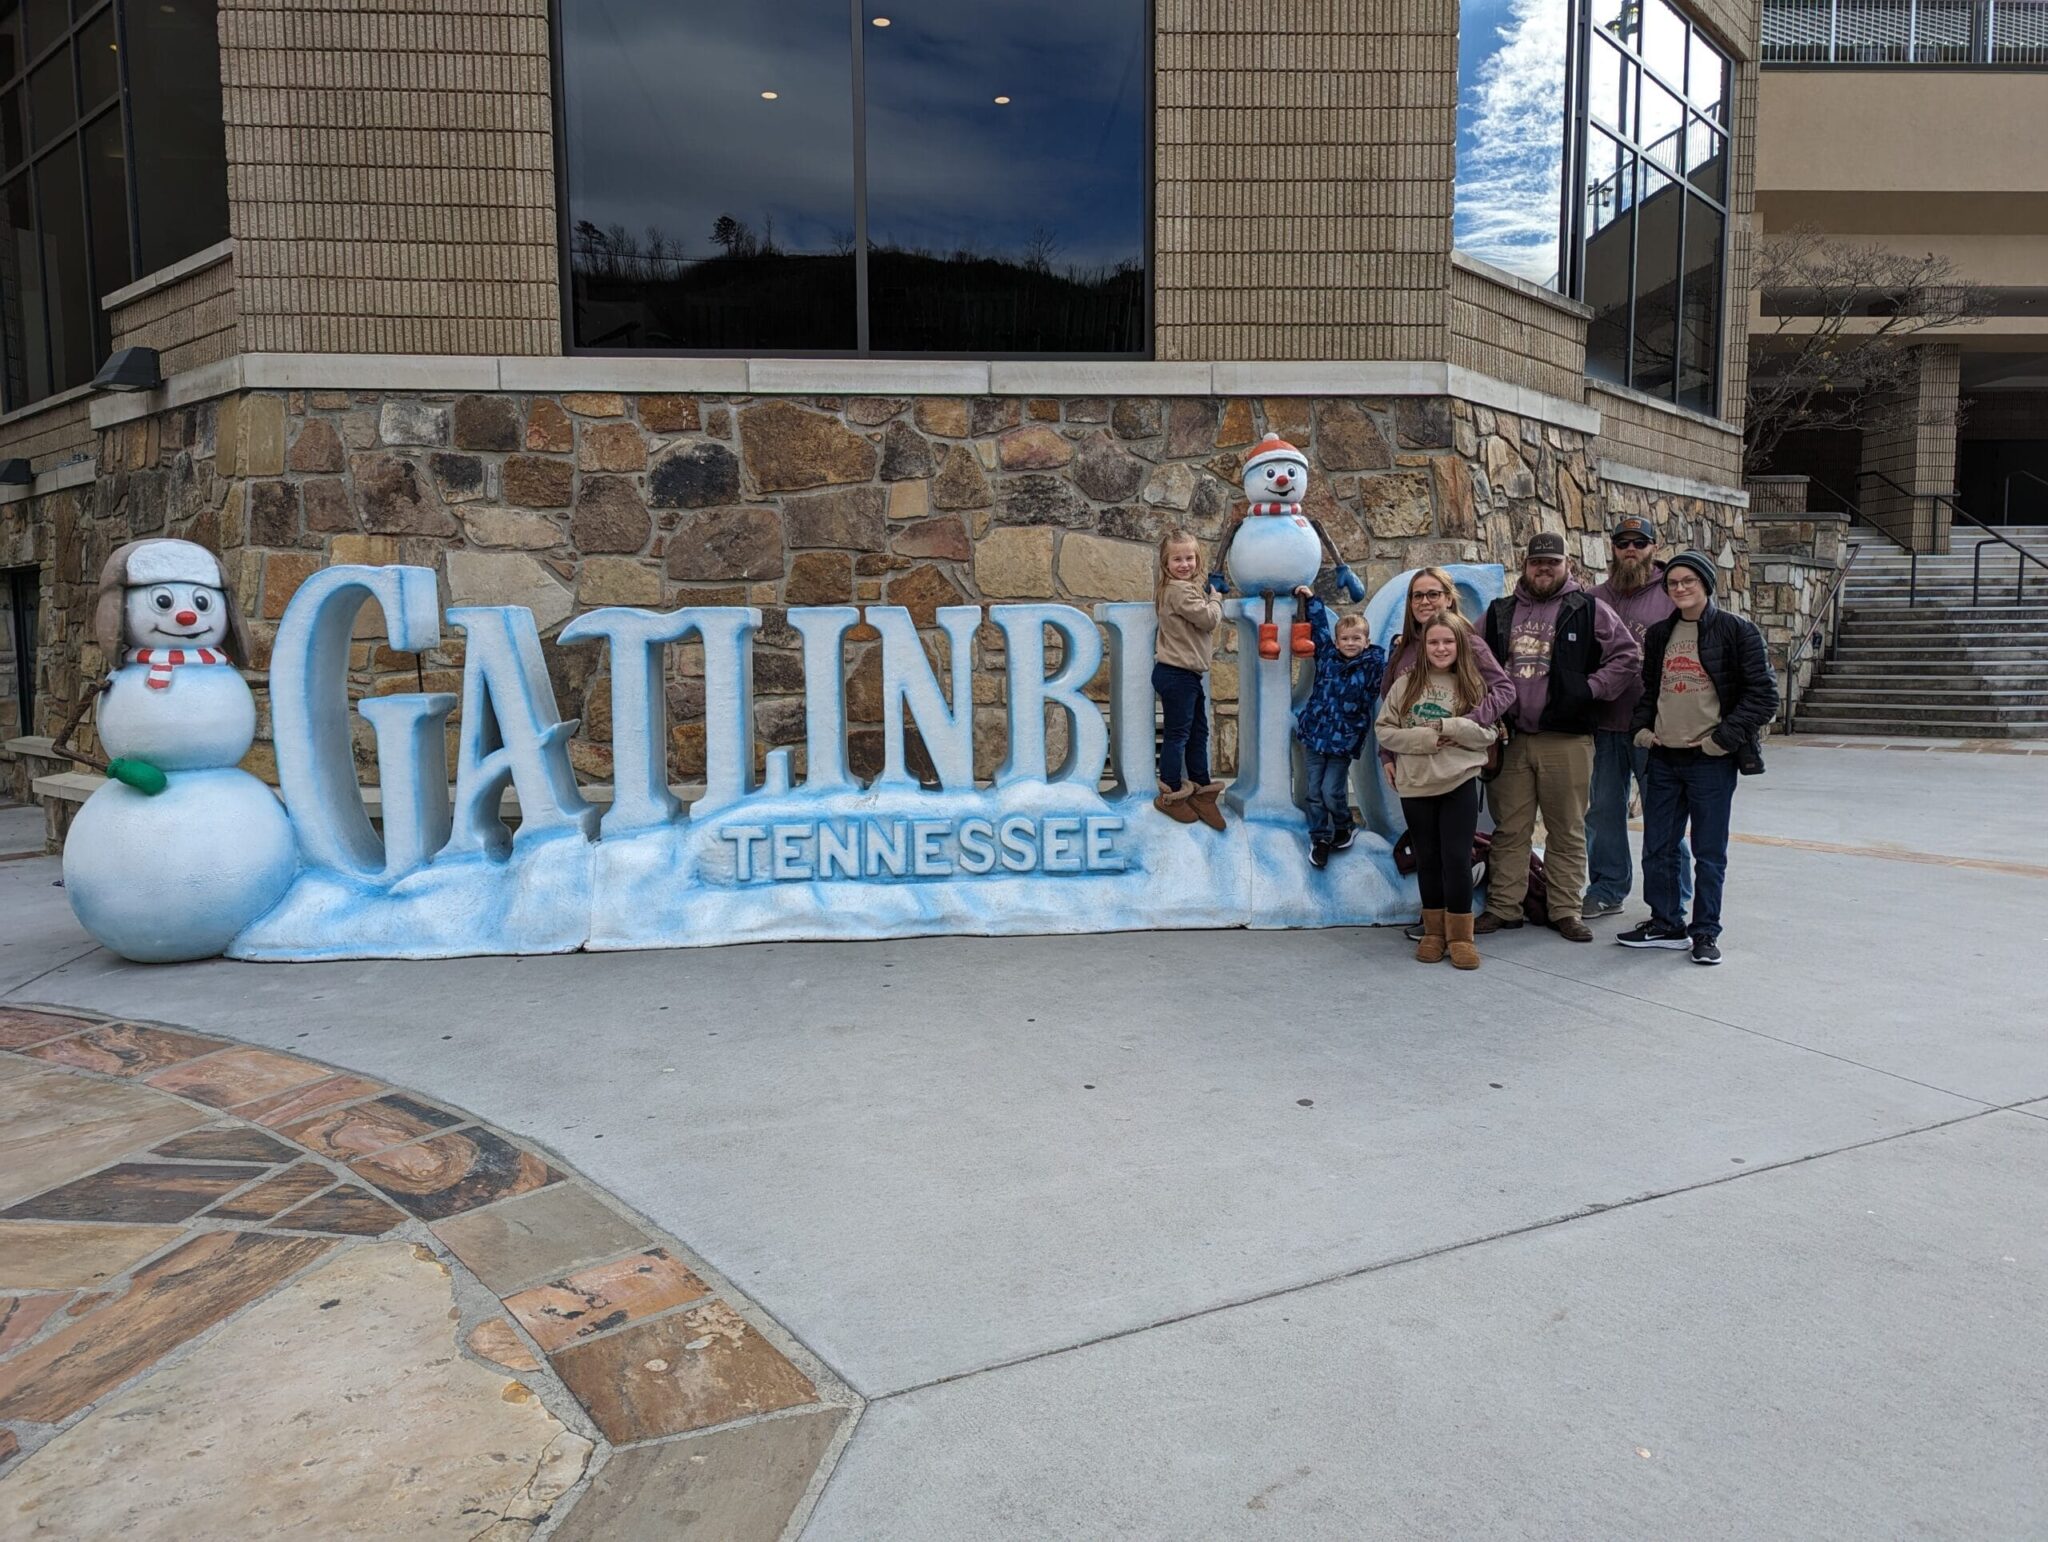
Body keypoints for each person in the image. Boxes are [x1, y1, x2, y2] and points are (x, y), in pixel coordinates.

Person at [1478, 532, 1641, 942]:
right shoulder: (1499, 612)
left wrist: (1592, 688)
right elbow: (1469, 657)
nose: (1544, 568)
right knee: (1509, 829)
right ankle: (1504, 908)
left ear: (1567, 564)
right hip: (1511, 738)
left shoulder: (1589, 608)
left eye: (1552, 562)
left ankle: (1565, 909)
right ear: (1526, 564)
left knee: (1566, 828)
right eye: (1537, 562)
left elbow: (1627, 656)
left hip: (1567, 739)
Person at [1619, 552, 1778, 966]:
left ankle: (1705, 932)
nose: (1680, 589)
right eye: (1673, 583)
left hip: (1710, 760)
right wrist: (1642, 728)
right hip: (1664, 757)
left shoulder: (1736, 632)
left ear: (1706, 583)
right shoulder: (1659, 634)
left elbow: (1763, 696)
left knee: (1709, 853)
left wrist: (1721, 741)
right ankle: (1666, 923)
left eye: (1688, 581)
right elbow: (1649, 689)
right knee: (1658, 847)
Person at [1374, 618, 1499, 969]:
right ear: (1423, 646)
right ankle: (1433, 933)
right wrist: (1426, 738)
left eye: (1448, 642)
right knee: (1427, 859)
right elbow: (1384, 730)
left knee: (1457, 859)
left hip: (1458, 781)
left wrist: (1450, 726)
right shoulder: (1405, 684)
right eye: (1433, 643)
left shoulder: (1471, 683)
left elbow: (1488, 733)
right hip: (1416, 785)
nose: (1441, 649)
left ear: (1459, 645)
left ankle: (1461, 935)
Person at [1585, 515, 1690, 920]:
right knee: (1602, 813)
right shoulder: (1592, 597)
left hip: (1656, 729)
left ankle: (1673, 898)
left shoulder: (1672, 596)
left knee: (1664, 816)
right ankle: (1607, 888)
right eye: (1623, 542)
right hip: (1604, 725)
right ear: (1612, 548)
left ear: (1653, 548)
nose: (1631, 549)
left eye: (1640, 542)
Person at [1290, 585, 1386, 868]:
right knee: (1313, 792)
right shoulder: (1328, 658)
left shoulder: (1371, 666)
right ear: (1337, 641)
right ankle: (1320, 837)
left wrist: (1393, 647)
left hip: (1342, 741)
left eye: (1357, 638)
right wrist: (1312, 599)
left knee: (1332, 790)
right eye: (1345, 638)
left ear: (1367, 642)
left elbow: (1388, 670)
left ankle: (1344, 825)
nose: (1351, 643)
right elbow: (1319, 630)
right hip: (1316, 736)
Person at [1152, 528, 1227, 831]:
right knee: (1179, 735)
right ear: (1165, 563)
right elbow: (1208, 619)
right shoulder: (1178, 590)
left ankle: (1201, 787)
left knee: (1198, 733)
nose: (1184, 564)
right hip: (1176, 673)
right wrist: (1217, 599)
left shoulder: (1186, 587)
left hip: (1187, 675)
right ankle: (1170, 792)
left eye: (1189, 558)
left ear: (1198, 559)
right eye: (1177, 559)